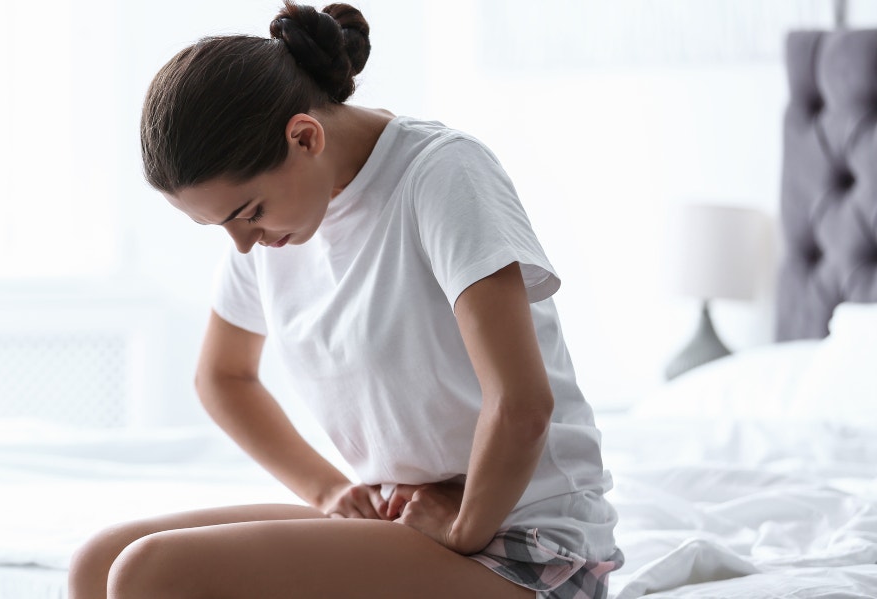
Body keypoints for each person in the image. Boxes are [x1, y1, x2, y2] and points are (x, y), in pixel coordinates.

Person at [70, 2, 622, 597]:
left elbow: (521, 405)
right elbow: (223, 377)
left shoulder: (440, 176)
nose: (244, 245)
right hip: (405, 520)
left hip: (523, 543)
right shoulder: (275, 228)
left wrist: (463, 530)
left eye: (247, 213)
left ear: (305, 136)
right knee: (100, 561)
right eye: (220, 226)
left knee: (151, 573)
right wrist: (332, 493)